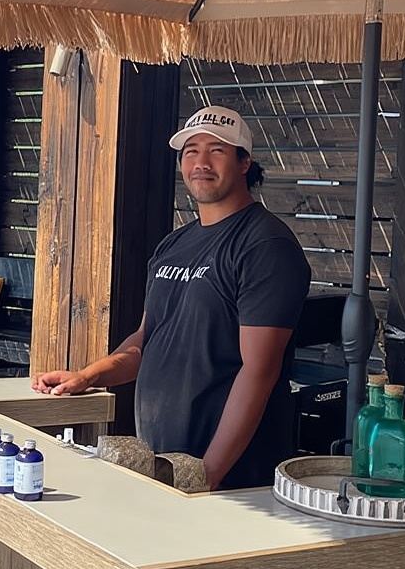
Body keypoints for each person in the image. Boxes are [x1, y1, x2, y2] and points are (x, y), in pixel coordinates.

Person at [32, 105, 311, 490]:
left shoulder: (265, 245)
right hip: (165, 464)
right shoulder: (173, 245)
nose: (201, 163)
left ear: (244, 162)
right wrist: (88, 376)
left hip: (232, 478)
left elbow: (259, 371)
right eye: (191, 151)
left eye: (217, 150)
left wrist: (208, 473)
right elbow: (146, 340)